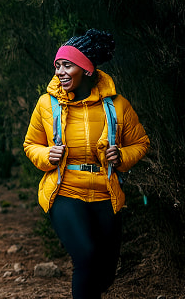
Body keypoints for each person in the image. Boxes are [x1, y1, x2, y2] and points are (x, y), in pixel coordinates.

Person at [24, 29, 149, 299]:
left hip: (106, 192)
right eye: (57, 65)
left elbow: (141, 142)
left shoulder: (117, 106)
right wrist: (47, 156)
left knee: (105, 272)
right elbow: (30, 144)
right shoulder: (47, 104)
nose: (60, 71)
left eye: (67, 65)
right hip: (65, 190)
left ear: (87, 69)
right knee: (86, 256)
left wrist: (122, 156)